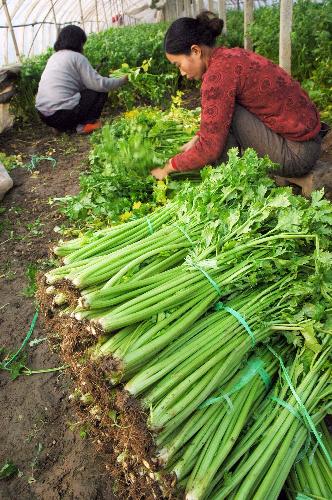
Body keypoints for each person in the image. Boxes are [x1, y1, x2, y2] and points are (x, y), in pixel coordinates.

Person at [150, 11, 328, 196]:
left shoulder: (217, 77)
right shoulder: (228, 56)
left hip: (297, 155)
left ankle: (228, 187)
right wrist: (198, 137)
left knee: (225, 123)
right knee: (223, 116)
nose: (182, 73)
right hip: (307, 143)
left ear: (195, 51)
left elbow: (210, 148)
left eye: (178, 64)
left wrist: (168, 167)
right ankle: (231, 177)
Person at [36, 25, 128, 134]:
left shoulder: (54, 57)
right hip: (63, 115)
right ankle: (84, 125)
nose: (83, 47)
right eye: (82, 43)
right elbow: (100, 84)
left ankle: (61, 128)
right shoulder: (77, 57)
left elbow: (73, 85)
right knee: (100, 91)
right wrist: (123, 80)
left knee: (79, 94)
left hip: (44, 115)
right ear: (78, 42)